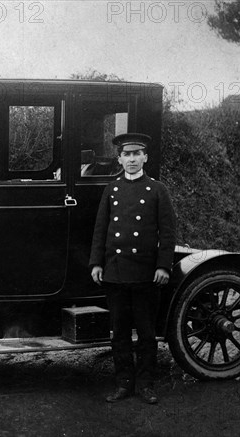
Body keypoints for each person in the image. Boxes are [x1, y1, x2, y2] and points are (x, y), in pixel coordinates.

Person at [89, 132, 176, 404]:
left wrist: (163, 266)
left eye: (137, 154)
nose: (132, 160)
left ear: (145, 157)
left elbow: (168, 232)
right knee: (120, 334)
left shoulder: (157, 189)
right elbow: (100, 229)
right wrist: (96, 263)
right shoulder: (112, 189)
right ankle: (124, 384)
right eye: (126, 155)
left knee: (147, 334)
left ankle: (146, 385)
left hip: (145, 274)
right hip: (115, 273)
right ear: (119, 159)